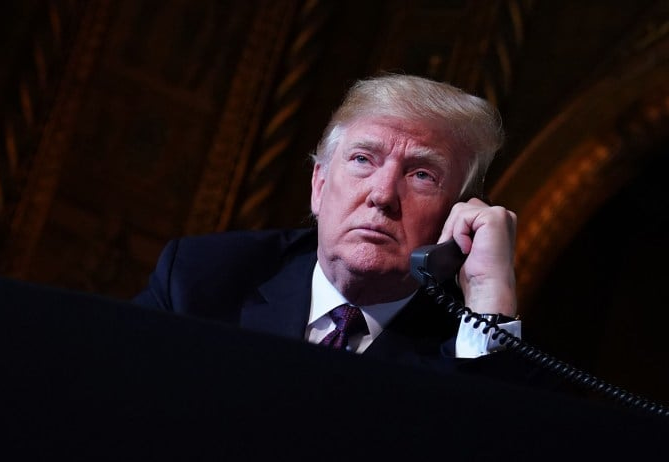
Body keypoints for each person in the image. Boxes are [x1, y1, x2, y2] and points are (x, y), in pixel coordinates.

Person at [134, 73, 541, 384]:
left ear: (458, 214)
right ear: (319, 185)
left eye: (421, 174)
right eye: (363, 159)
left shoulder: (467, 341)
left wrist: (489, 293)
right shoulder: (201, 278)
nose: (382, 195)